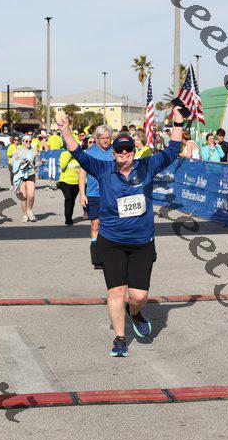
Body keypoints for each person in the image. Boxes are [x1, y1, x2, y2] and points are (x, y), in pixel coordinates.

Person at [57, 108, 183, 357]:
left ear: (134, 152)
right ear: (113, 153)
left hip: (142, 242)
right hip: (112, 241)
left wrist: (178, 122)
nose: (125, 154)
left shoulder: (147, 166)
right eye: (120, 150)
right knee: (116, 292)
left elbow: (172, 151)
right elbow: (77, 153)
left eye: (129, 150)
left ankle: (134, 312)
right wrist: (66, 131)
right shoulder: (104, 169)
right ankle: (119, 338)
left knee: (139, 296)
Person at [78, 125, 113, 269]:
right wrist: (82, 194)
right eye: (102, 138)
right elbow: (82, 174)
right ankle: (97, 257)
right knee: (95, 224)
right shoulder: (89, 152)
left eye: (108, 138)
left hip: (111, 194)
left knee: (110, 224)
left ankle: (111, 255)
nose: (105, 140)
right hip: (93, 194)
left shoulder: (116, 151)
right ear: (97, 139)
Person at [12, 135, 37, 223]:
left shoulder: (34, 152)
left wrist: (41, 162)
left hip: (31, 175)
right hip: (21, 175)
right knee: (24, 196)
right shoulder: (17, 151)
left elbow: (36, 163)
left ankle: (29, 210)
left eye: (30, 141)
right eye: (26, 141)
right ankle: (25, 215)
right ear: (23, 142)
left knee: (31, 195)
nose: (28, 143)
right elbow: (12, 162)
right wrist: (20, 162)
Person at [57, 148, 80, 226]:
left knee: (72, 200)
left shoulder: (79, 155)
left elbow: (82, 168)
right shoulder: (64, 154)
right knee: (68, 198)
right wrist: (70, 154)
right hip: (64, 181)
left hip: (76, 181)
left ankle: (69, 217)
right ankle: (67, 218)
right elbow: (62, 165)